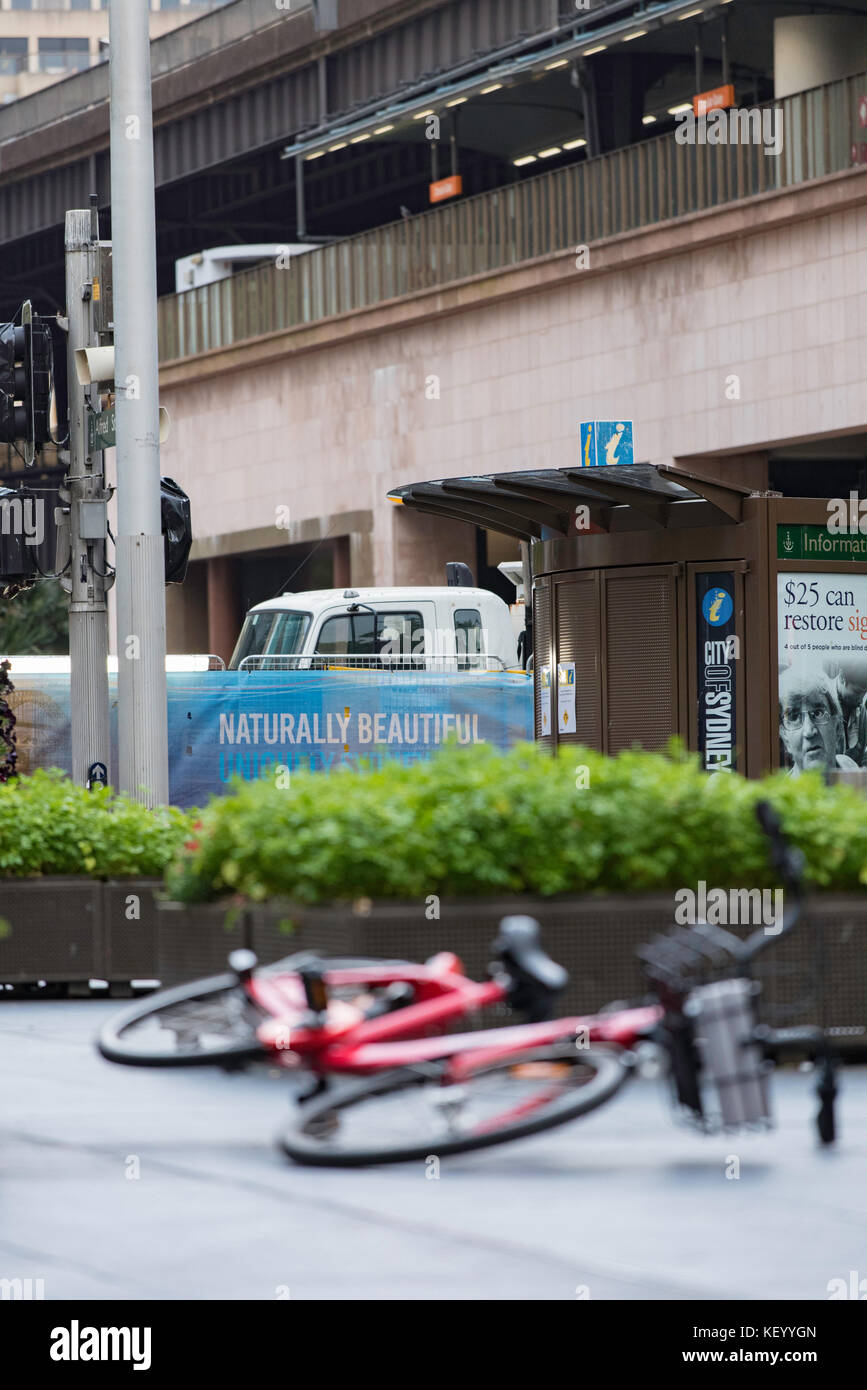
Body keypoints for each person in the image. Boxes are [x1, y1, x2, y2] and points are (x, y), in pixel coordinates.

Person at [779, 668, 859, 776]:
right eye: (794, 717)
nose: (809, 731)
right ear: (785, 737)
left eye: (818, 713)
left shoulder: (850, 767)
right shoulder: (782, 793)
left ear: (837, 727)